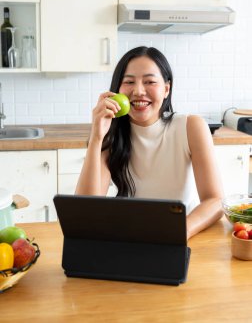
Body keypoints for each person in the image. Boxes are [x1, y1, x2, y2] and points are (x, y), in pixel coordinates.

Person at [75, 46, 224, 239]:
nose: (138, 91)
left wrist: (179, 232)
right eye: (129, 81)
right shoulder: (111, 135)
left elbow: (215, 200)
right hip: (130, 236)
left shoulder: (191, 126)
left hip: (181, 237)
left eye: (150, 81)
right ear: (117, 89)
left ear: (166, 89)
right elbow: (86, 210)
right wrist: (96, 136)